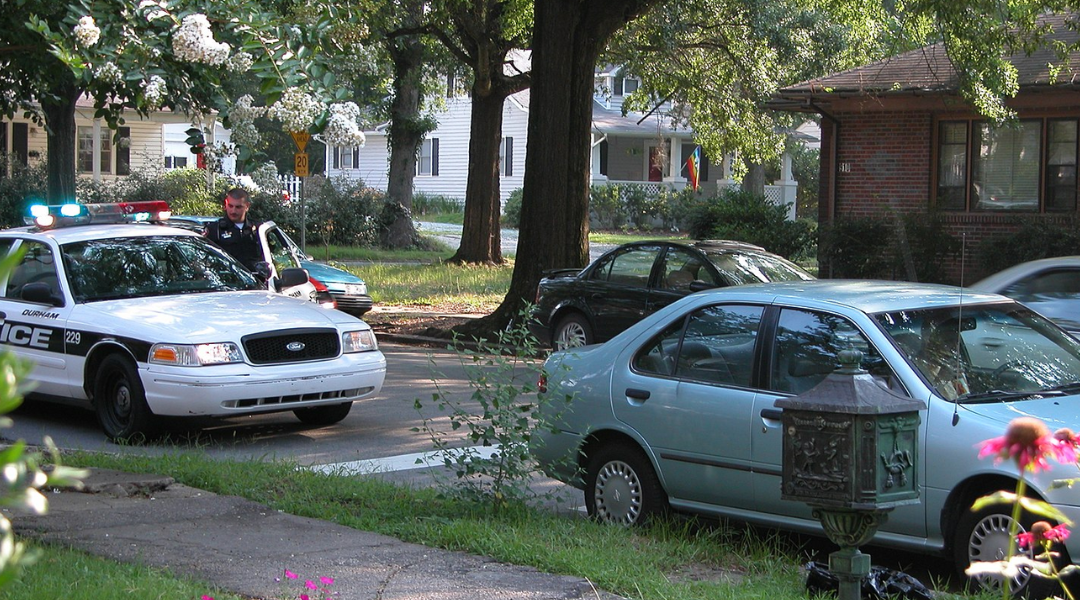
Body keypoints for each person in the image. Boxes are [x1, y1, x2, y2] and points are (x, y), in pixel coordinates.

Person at [202, 188, 262, 271]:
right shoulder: (215, 230)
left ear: (247, 206)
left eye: (238, 207)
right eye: (230, 206)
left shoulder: (258, 229)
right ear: (226, 204)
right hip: (227, 280)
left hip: (256, 280)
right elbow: (204, 259)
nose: (233, 211)